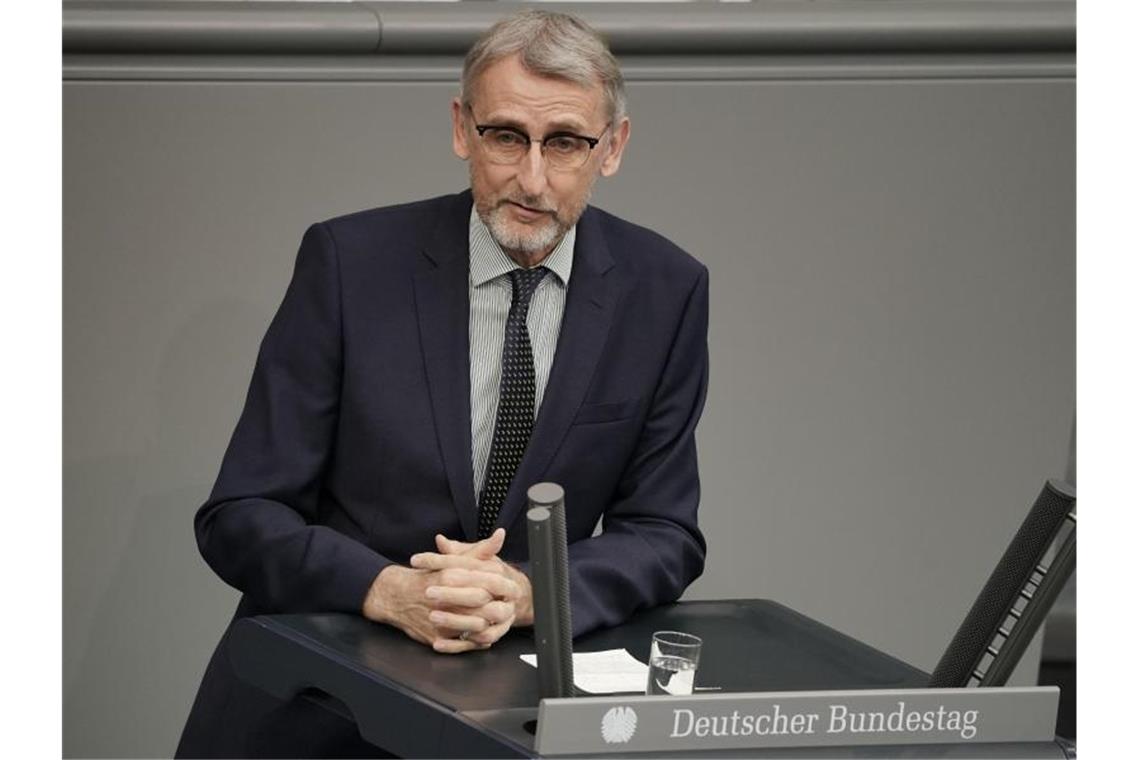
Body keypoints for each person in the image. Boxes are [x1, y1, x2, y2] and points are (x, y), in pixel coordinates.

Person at [176, 9, 709, 758]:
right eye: (504, 137)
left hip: (507, 727)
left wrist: (528, 592)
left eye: (564, 143)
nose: (531, 177)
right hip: (310, 714)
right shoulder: (347, 264)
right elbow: (238, 513)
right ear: (463, 130)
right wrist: (387, 589)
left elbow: (664, 533)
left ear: (611, 147)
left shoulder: (665, 291)